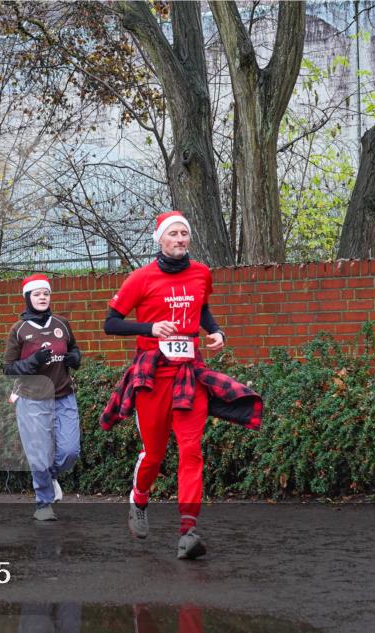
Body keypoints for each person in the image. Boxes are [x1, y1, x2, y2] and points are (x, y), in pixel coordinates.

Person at [101, 211, 262, 559]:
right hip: (152, 376)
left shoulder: (201, 273)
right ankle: (139, 498)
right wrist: (149, 329)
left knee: (191, 451)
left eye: (183, 234)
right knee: (155, 455)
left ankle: (188, 530)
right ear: (160, 239)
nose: (179, 240)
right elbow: (110, 324)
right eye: (172, 234)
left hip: (189, 373)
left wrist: (216, 331)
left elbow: (202, 309)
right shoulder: (141, 278)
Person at [3, 274, 82, 521]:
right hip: (32, 398)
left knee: (70, 451)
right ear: (27, 297)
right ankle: (43, 502)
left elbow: (75, 349)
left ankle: (50, 477)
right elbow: (9, 368)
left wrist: (75, 359)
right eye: (36, 294)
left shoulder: (62, 323)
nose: (42, 298)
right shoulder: (19, 330)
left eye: (45, 294)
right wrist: (32, 362)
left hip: (63, 395)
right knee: (39, 454)